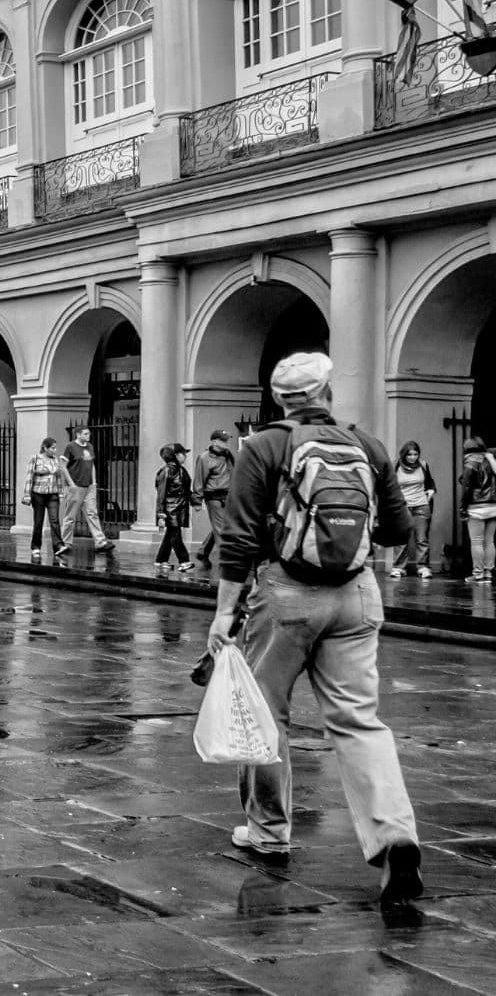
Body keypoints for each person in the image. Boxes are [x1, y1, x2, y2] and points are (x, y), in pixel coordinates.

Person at [206, 351, 421, 902]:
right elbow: (397, 527)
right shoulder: (367, 445)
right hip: (356, 593)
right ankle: (394, 836)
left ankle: (269, 832)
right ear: (327, 390)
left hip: (287, 595)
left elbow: (239, 538)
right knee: (359, 721)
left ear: (279, 399)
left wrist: (225, 612)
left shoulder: (264, 445)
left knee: (265, 715)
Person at [58, 426, 112, 555]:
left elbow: (91, 464)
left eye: (89, 434)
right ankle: (66, 543)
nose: (89, 436)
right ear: (78, 434)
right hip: (75, 486)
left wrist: (93, 482)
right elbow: (63, 466)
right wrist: (71, 484)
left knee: (92, 513)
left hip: (88, 486)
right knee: (70, 516)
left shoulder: (90, 446)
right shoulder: (70, 447)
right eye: (86, 434)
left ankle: (100, 542)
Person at [389, 441, 436, 579]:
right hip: (402, 507)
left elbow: (430, 482)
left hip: (421, 505)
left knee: (422, 539)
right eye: (410, 454)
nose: (413, 457)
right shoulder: (396, 465)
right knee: (401, 539)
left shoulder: (423, 465)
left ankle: (423, 567)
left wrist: (431, 491)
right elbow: (389, 485)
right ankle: (398, 568)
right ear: (404, 455)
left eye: (415, 454)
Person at [193, 429, 235, 567]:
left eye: (227, 440)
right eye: (223, 440)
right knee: (222, 528)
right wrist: (197, 500)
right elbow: (199, 479)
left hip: (228, 495)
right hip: (215, 497)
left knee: (222, 526)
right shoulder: (205, 458)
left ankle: (203, 551)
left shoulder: (228, 455)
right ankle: (227, 560)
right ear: (214, 441)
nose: (226, 443)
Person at [24, 437, 66, 560]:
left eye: (55, 448)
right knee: (38, 521)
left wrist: (61, 493)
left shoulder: (56, 460)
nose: (55, 450)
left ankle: (58, 545)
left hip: (53, 494)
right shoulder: (35, 458)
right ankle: (36, 547)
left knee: (54, 520)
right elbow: (29, 476)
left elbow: (58, 477)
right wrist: (27, 494)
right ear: (45, 448)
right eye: (52, 448)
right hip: (38, 494)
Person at [154, 444, 193, 571]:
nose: (185, 456)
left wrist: (195, 501)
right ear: (175, 455)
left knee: (171, 534)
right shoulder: (166, 471)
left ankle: (161, 560)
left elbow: (186, 490)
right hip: (171, 509)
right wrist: (160, 512)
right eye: (182, 453)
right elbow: (161, 493)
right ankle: (184, 561)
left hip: (179, 508)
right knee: (175, 534)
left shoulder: (181, 470)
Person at [463, 436, 496, 582]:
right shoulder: (490, 459)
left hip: (476, 507)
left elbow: (466, 489)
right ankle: (488, 573)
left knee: (476, 541)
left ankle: (478, 574)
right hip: (493, 506)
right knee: (489, 541)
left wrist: (462, 508)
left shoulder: (470, 463)